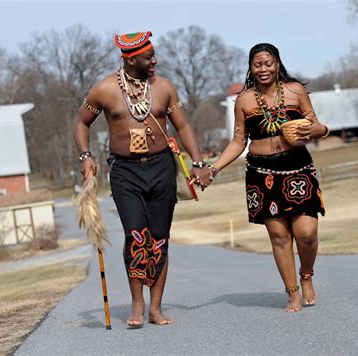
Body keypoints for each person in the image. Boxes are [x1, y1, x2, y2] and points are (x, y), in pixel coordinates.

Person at [74, 32, 210, 328]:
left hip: (161, 168)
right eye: (149, 58)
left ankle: (155, 308)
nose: (154, 61)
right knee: (137, 236)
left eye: (153, 55)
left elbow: (183, 125)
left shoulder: (164, 88)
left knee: (159, 238)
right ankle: (137, 305)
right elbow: (81, 122)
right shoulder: (105, 89)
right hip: (125, 172)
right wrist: (85, 156)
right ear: (130, 59)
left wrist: (198, 162)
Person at [206, 43, 328, 312]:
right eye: (257, 64)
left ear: (277, 64)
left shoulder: (296, 91)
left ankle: (306, 276)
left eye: (268, 63)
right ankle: (292, 292)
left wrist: (317, 131)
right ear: (251, 67)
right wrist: (214, 169)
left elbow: (318, 125)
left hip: (298, 168)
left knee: (306, 233)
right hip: (261, 174)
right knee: (279, 236)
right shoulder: (244, 100)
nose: (263, 69)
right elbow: (239, 141)